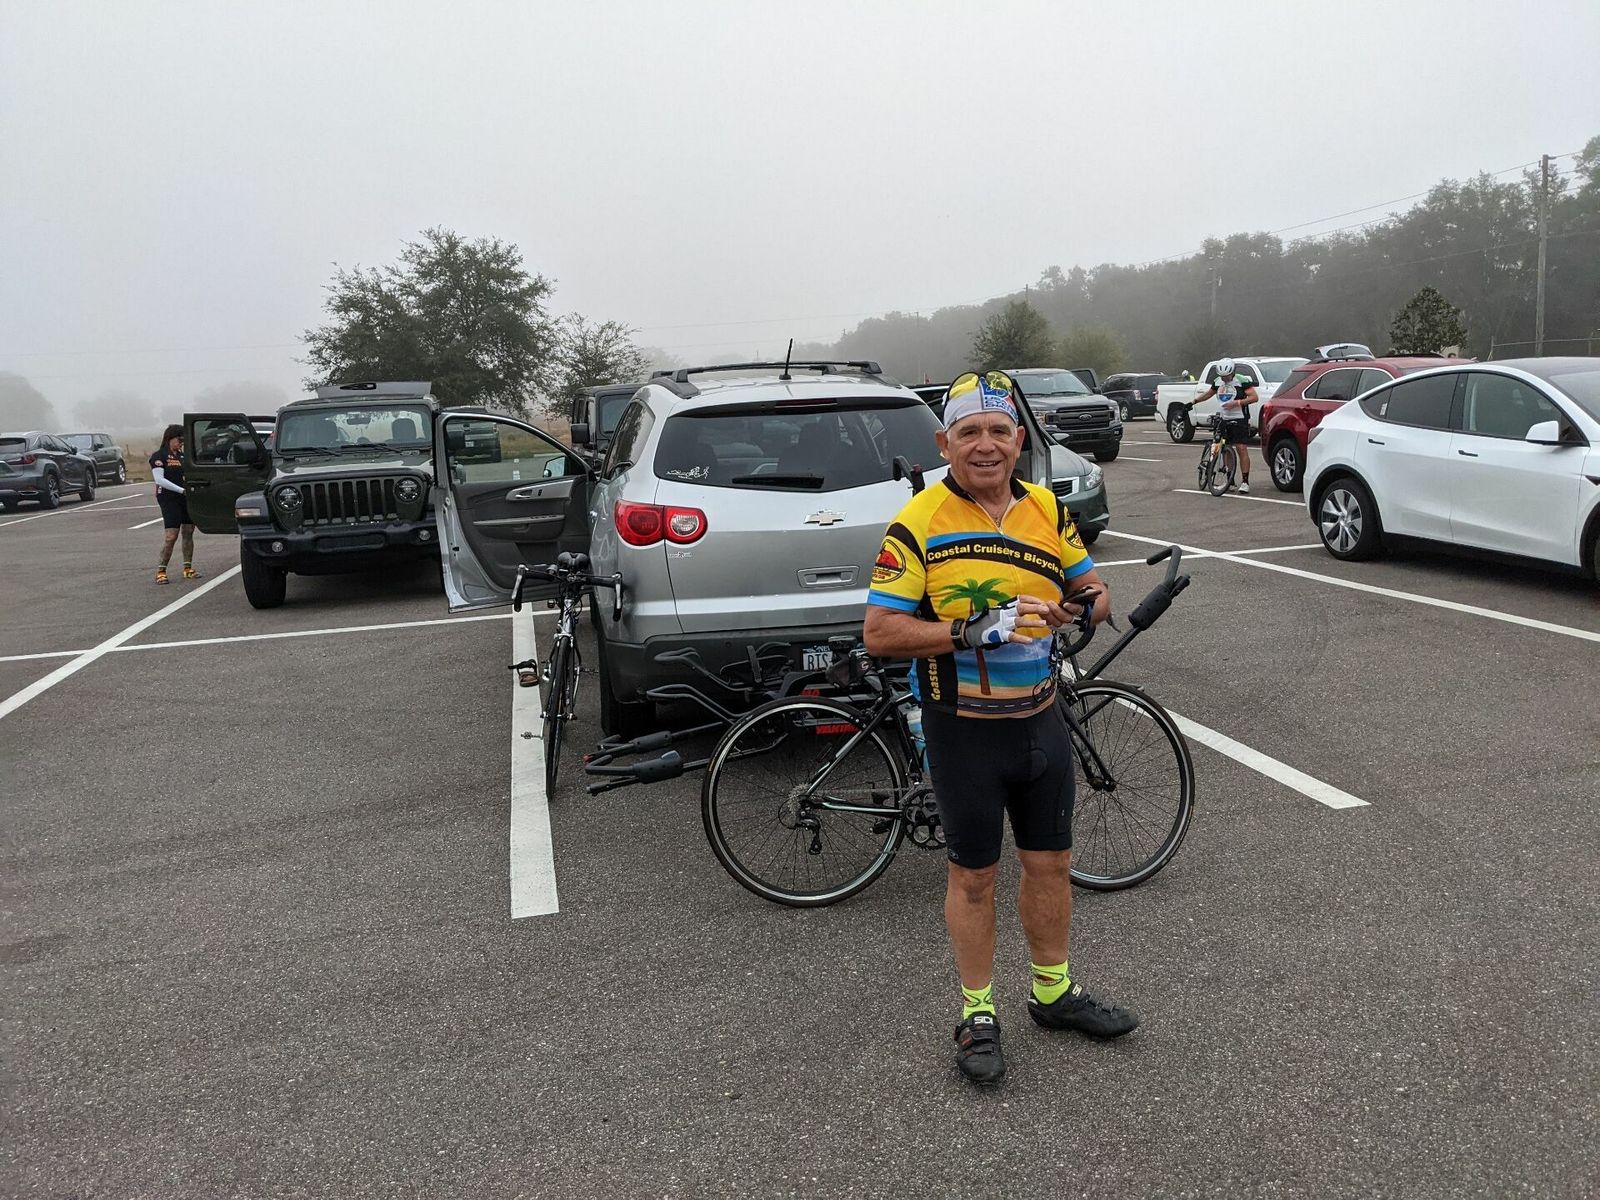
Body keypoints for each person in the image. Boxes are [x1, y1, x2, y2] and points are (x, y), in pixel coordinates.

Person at [863, 370, 1139, 1088]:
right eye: (969, 433)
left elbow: (1096, 591)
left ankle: (1052, 993)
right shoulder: (918, 521)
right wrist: (968, 629)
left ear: (1018, 440)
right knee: (975, 875)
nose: (984, 445)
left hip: (1041, 721)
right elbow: (881, 632)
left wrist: (1078, 606)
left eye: (997, 431)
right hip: (963, 730)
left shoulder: (1046, 508)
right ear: (944, 443)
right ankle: (977, 1012)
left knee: (1050, 865)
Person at [1188, 358, 1258, 492]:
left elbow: (1254, 397)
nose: (1224, 379)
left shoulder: (1242, 380)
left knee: (1241, 448)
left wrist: (1237, 403)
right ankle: (1230, 479)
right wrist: (1194, 401)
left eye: (1227, 376)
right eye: (1222, 376)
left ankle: (1245, 481)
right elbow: (1209, 394)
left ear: (1232, 373)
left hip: (1239, 419)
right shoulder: (1217, 381)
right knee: (1225, 448)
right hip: (1224, 418)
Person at [150, 424, 199, 584]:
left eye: (183, 441)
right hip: (169, 498)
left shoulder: (183, 456)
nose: (181, 443)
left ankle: (187, 568)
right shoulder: (159, 456)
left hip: (185, 497)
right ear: (170, 438)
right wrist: (180, 490)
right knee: (171, 536)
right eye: (180, 440)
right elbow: (159, 480)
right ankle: (161, 571)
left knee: (188, 531)